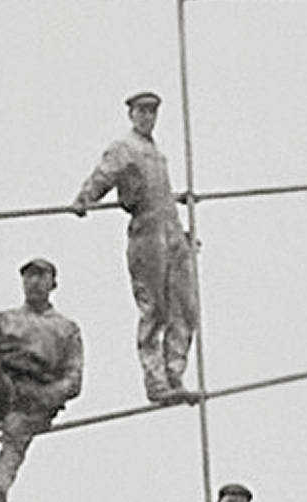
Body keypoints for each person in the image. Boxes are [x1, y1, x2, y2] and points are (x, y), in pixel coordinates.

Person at [70, 91, 198, 406]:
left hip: (170, 232)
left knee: (185, 308)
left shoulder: (156, 152)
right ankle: (156, 381)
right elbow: (105, 175)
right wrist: (85, 198)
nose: (147, 117)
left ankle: (174, 373)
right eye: (141, 112)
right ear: (131, 115)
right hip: (147, 232)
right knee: (155, 309)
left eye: (152, 112)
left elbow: (164, 197)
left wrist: (182, 234)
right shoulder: (124, 148)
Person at [0, 258, 83, 502]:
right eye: (29, 276)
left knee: (17, 432)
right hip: (4, 389)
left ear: (53, 283)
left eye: (41, 276)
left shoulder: (66, 329)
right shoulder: (4, 320)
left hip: (37, 396)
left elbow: (73, 380)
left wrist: (44, 396)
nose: (35, 282)